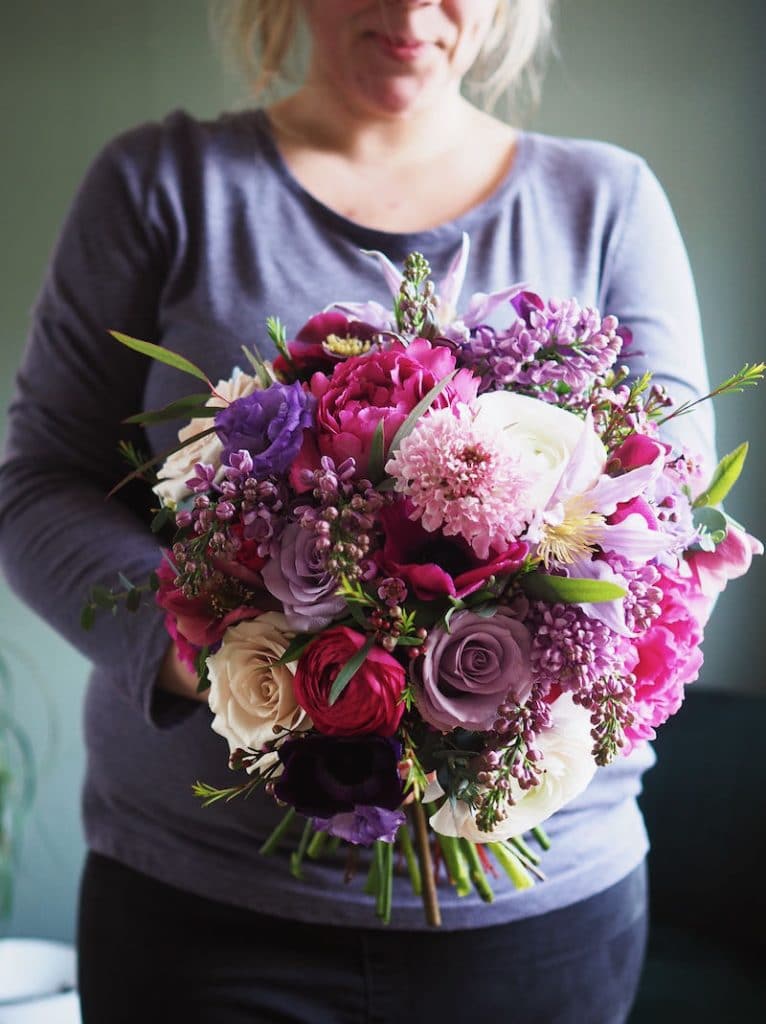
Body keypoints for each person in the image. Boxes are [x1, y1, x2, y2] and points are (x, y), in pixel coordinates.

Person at [0, 1, 715, 1021]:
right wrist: (208, 646)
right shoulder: (163, 184)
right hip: (206, 911)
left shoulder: (606, 201)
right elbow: (36, 485)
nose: (412, 10)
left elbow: (669, 518)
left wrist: (502, 688)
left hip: (539, 918)